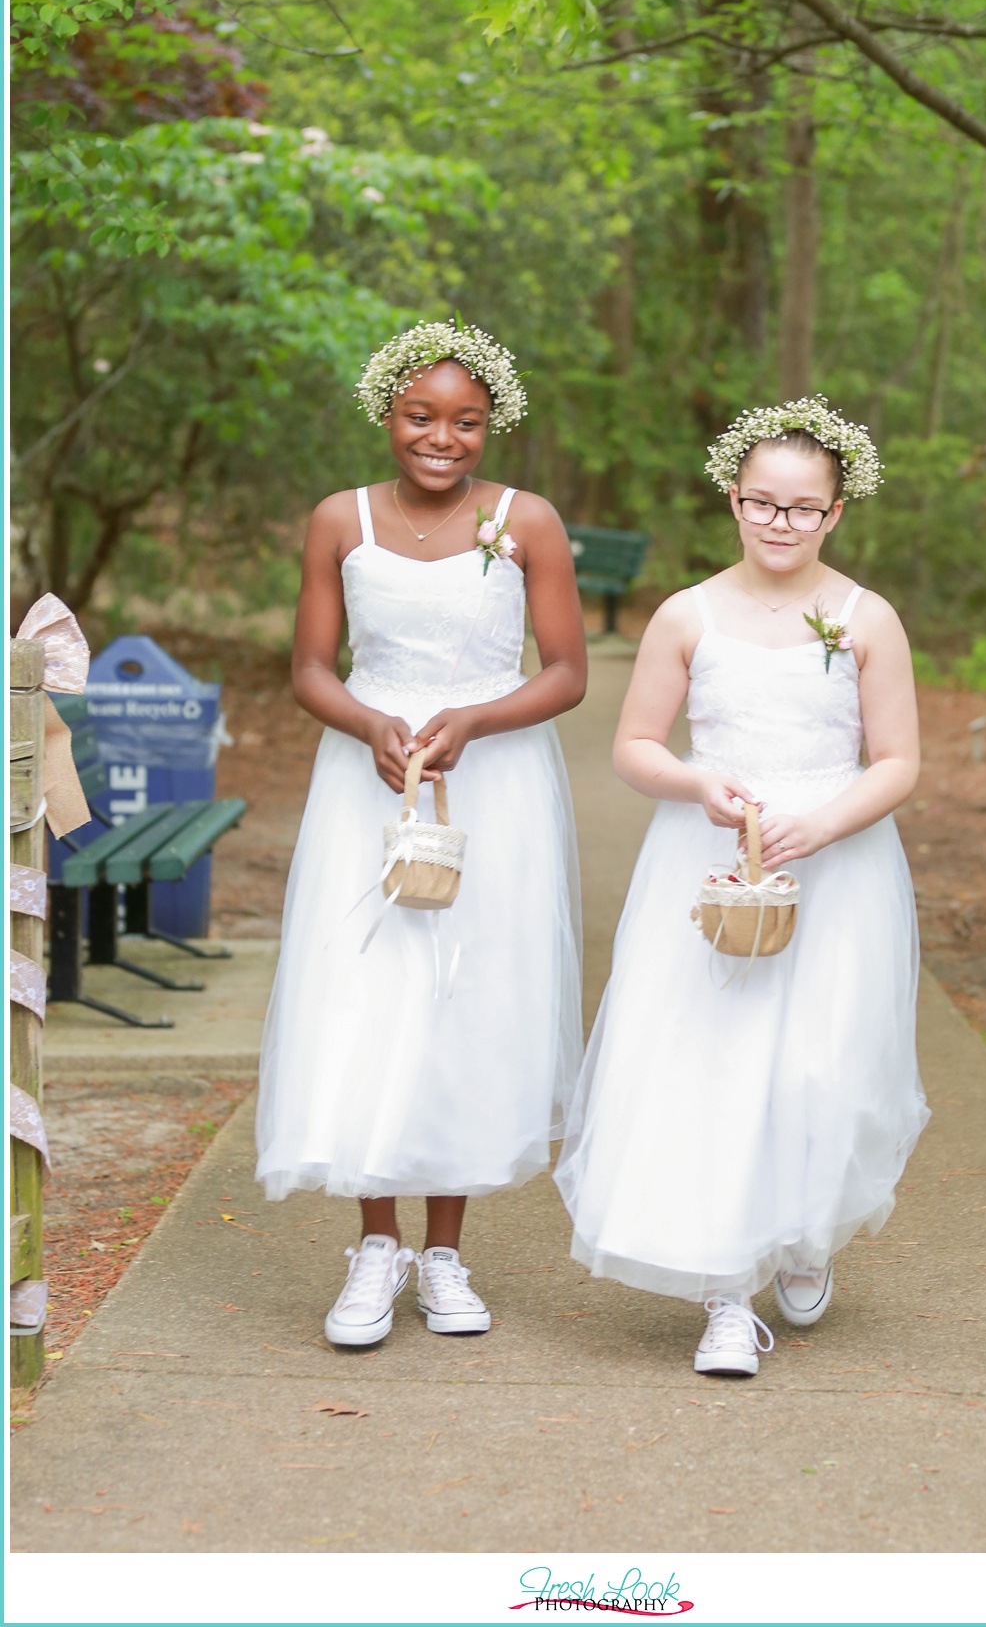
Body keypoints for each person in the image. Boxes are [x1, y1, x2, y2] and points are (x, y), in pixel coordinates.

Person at [556, 399, 928, 1377]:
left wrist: (827, 819)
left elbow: (896, 762)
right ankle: (725, 1292)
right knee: (711, 1065)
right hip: (711, 853)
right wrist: (694, 782)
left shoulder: (863, 619)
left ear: (836, 512)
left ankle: (803, 1236)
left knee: (821, 1066)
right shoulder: (687, 615)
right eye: (762, 503)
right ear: (733, 497)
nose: (780, 523)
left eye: (803, 509)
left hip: (835, 862)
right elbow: (635, 747)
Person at [256, 322, 585, 1349]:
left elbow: (566, 670)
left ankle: (444, 1255)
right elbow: (312, 665)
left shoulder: (526, 521)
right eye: (420, 416)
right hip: (370, 783)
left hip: (495, 786)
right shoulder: (337, 520)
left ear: (493, 427)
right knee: (372, 995)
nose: (443, 438)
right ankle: (374, 1247)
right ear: (385, 414)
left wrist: (477, 721)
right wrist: (366, 726)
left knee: (468, 1002)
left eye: (467, 422)